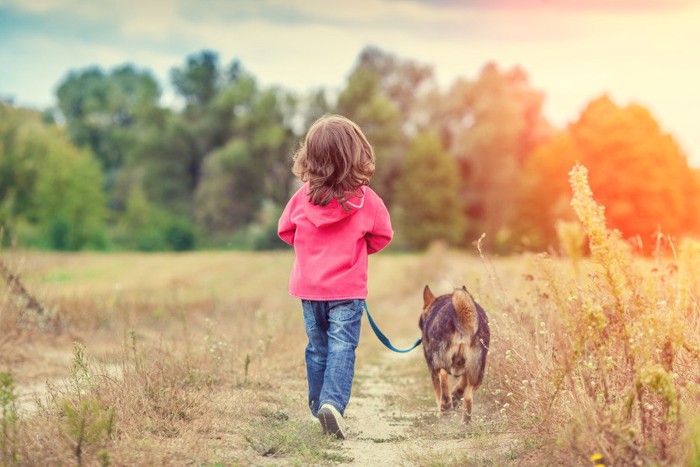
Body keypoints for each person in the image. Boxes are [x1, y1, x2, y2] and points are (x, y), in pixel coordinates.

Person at [278, 114, 393, 439]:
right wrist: (355, 251)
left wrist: (310, 252)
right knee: (342, 346)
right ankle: (331, 404)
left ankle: (319, 409)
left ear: (310, 157)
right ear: (356, 154)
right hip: (347, 290)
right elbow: (383, 236)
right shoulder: (367, 201)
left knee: (318, 348)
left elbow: (285, 230)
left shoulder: (301, 198)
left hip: (309, 289)